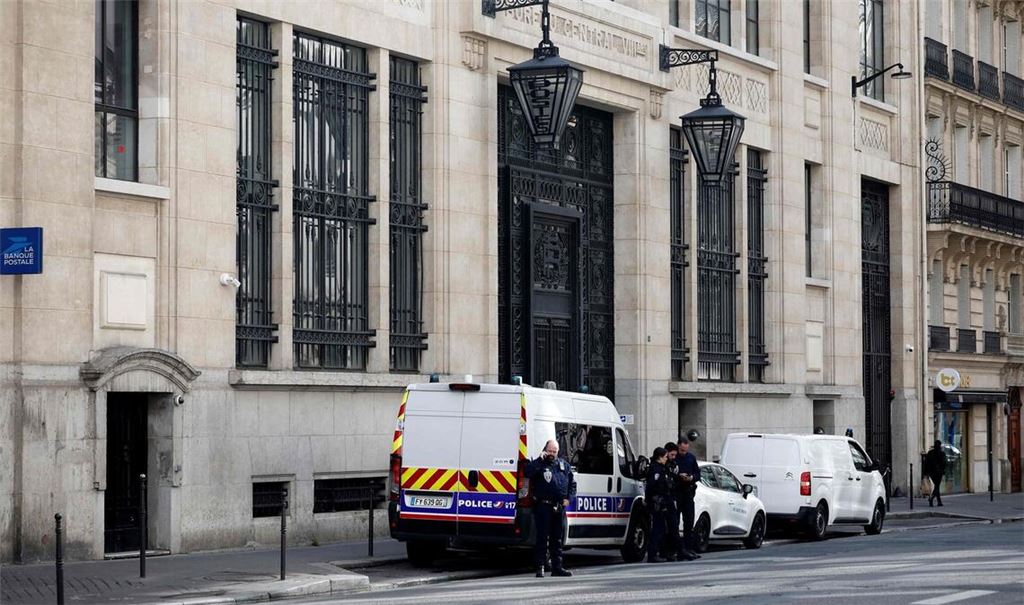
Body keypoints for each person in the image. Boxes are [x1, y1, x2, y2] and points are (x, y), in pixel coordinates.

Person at [526, 439, 576, 577]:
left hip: (558, 507)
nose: (552, 454)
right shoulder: (539, 464)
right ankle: (540, 567)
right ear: (545, 450)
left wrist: (569, 499)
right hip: (543, 506)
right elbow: (527, 472)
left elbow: (572, 484)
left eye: (554, 451)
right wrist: (538, 460)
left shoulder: (563, 465)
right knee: (542, 538)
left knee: (557, 539)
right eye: (550, 451)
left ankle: (557, 567)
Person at [645, 447, 674, 563]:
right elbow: (652, 487)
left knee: (661, 528)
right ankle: (652, 554)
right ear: (660, 457)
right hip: (657, 502)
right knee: (658, 528)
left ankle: (660, 553)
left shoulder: (662, 468)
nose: (667, 459)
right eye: (665, 457)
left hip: (662, 501)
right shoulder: (655, 469)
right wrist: (652, 502)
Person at [675, 437, 701, 560]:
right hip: (677, 492)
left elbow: (697, 474)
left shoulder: (691, 458)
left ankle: (688, 548)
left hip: (688, 492)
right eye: (681, 450)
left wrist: (691, 478)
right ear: (678, 446)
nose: (683, 452)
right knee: (674, 522)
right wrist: (679, 476)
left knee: (689, 521)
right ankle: (677, 549)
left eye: (685, 450)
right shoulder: (674, 457)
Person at [661, 442, 682, 560]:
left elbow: (674, 483)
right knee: (664, 528)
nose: (673, 457)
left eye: (675, 455)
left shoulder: (674, 465)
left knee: (674, 526)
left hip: (672, 498)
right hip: (664, 499)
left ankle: (673, 550)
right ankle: (665, 551)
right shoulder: (661, 466)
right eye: (672, 455)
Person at [924, 440, 947, 507]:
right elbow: (944, 463)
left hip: (931, 472)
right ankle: (932, 498)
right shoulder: (942, 453)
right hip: (939, 472)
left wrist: (925, 472)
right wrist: (943, 470)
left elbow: (926, 463)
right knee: (937, 486)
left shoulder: (930, 453)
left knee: (937, 486)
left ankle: (939, 502)